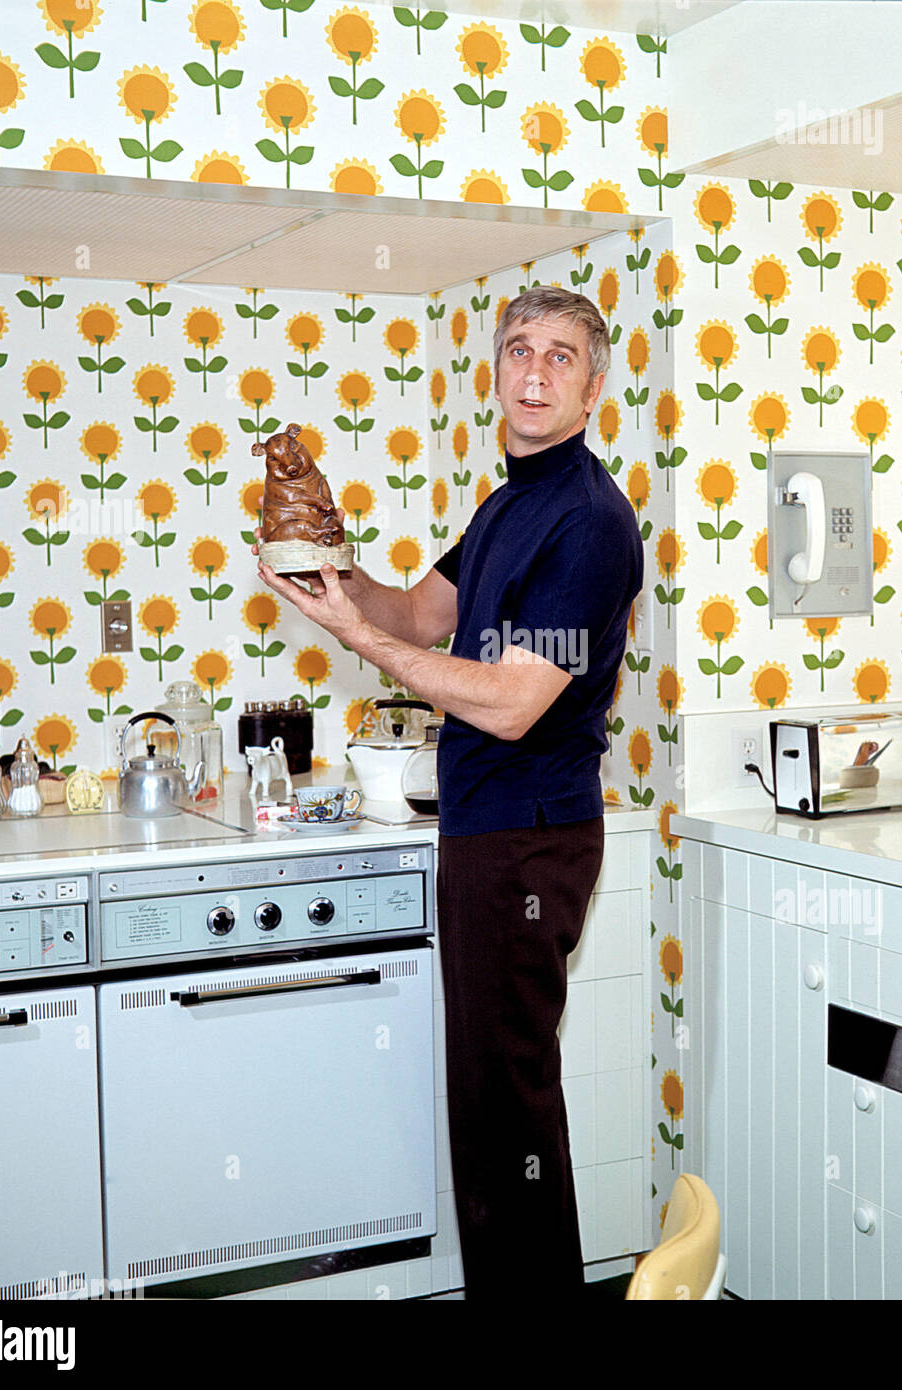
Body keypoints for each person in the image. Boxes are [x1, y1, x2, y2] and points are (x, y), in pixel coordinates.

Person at [257, 285, 643, 1299]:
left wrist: (358, 640)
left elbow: (514, 702)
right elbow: (418, 615)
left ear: (594, 385)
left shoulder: (590, 523)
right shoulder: (505, 505)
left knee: (505, 1108)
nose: (534, 370)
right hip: (486, 835)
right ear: (495, 370)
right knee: (489, 1106)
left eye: (562, 356)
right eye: (519, 348)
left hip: (529, 839)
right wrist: (328, 576)